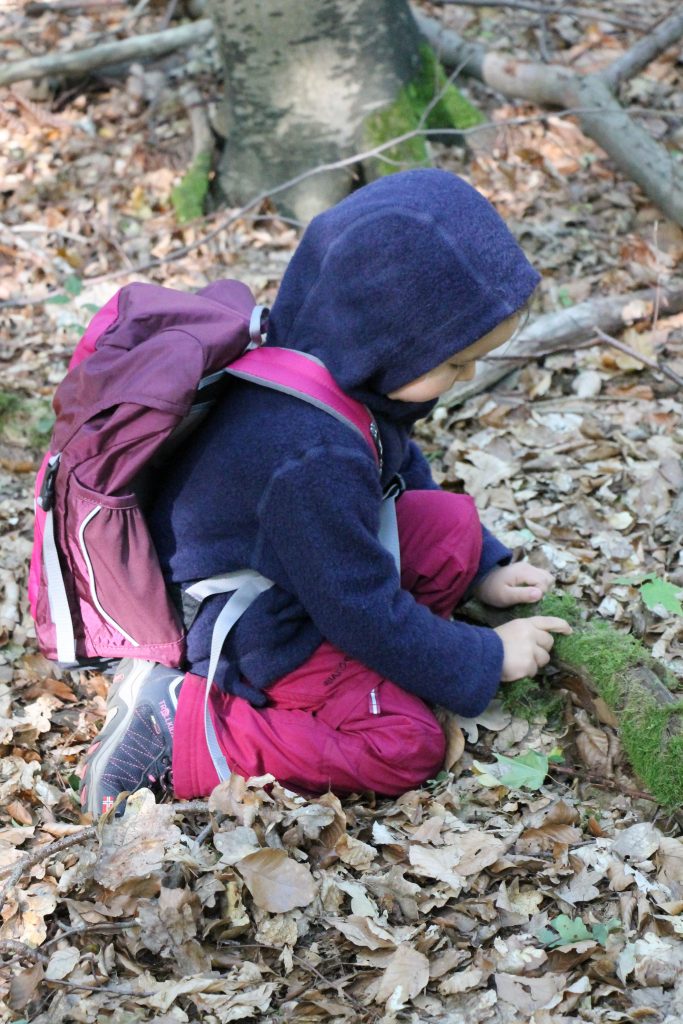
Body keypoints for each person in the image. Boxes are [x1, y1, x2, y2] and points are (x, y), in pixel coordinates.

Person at [80, 168, 571, 817]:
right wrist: (482, 657)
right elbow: (358, 607)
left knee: (452, 528)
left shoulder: (333, 362)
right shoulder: (307, 451)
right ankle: (181, 726)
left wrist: (483, 567)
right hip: (258, 627)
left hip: (302, 565)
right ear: (387, 338)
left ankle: (396, 660)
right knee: (406, 743)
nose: (468, 376)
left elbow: (393, 458)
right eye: (453, 363)